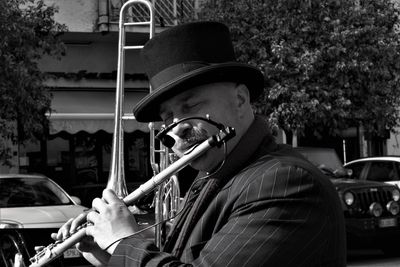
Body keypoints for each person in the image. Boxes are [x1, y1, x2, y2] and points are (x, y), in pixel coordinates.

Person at [53, 21, 346, 266]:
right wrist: (108, 253)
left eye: (189, 106)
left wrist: (124, 243)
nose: (176, 130)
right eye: (167, 118)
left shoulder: (283, 183)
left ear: (240, 99)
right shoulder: (213, 177)